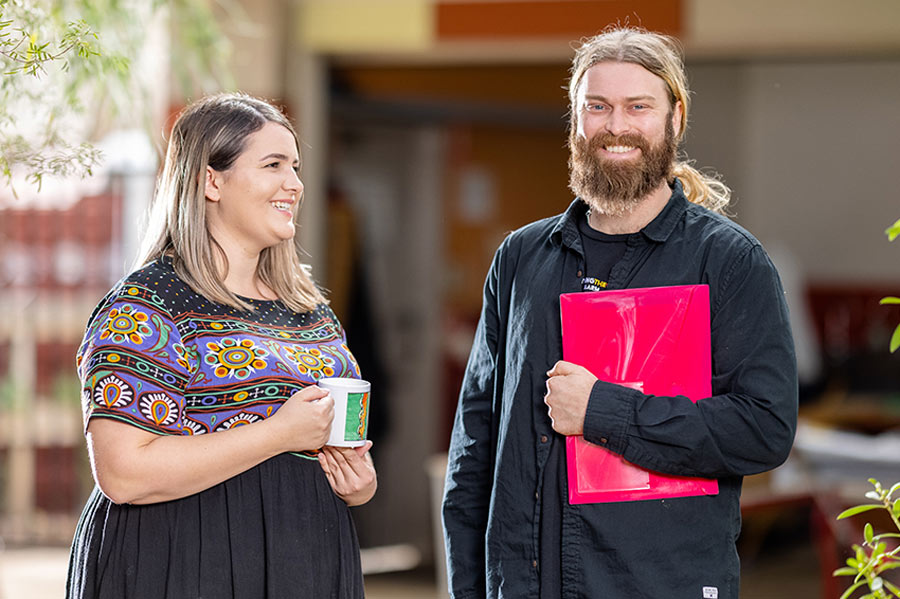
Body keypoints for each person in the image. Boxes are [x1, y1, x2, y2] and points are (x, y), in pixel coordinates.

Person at [442, 27, 798, 599]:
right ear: (576, 119)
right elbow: (474, 448)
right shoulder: (520, 258)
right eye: (597, 107)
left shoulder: (729, 262)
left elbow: (763, 430)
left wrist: (605, 411)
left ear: (675, 119)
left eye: (638, 107)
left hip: (659, 584)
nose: (616, 126)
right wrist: (470, 586)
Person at [66, 92, 377, 599]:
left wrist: (359, 482)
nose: (294, 184)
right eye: (273, 164)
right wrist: (279, 433)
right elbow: (123, 474)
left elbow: (346, 454)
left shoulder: (311, 310)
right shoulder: (148, 306)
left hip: (308, 561)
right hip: (181, 561)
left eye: (295, 167)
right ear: (211, 180)